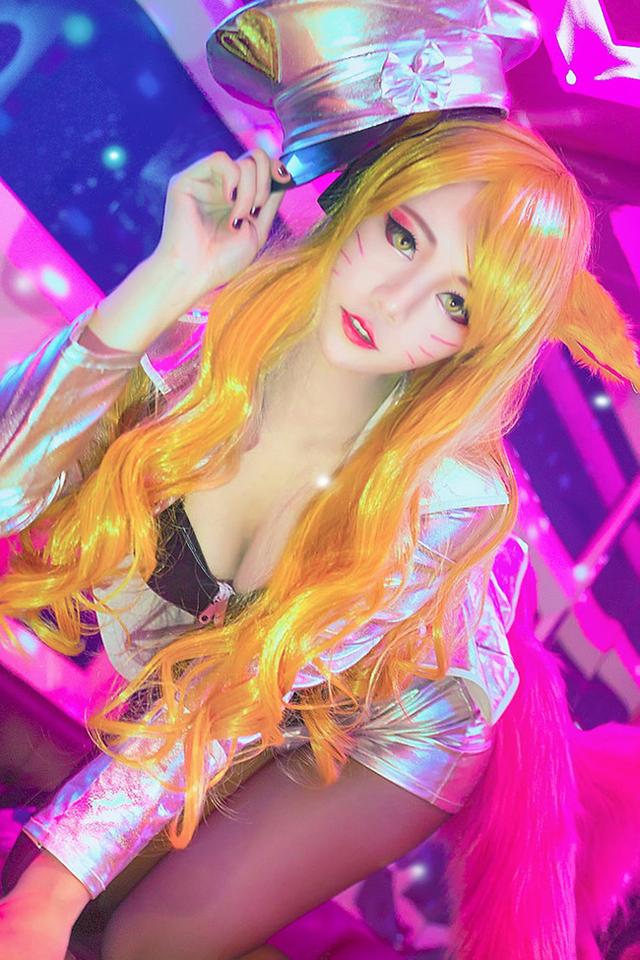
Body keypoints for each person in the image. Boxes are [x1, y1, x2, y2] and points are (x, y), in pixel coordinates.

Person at [1, 3, 640, 957]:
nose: (394, 302)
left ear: (479, 344)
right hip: (240, 682)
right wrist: (166, 278)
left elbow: (228, 692)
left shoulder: (439, 504)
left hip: (391, 730)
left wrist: (51, 892)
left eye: (455, 303)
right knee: (50, 878)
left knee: (140, 940)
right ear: (361, 199)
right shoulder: (208, 335)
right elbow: (8, 488)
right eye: (404, 237)